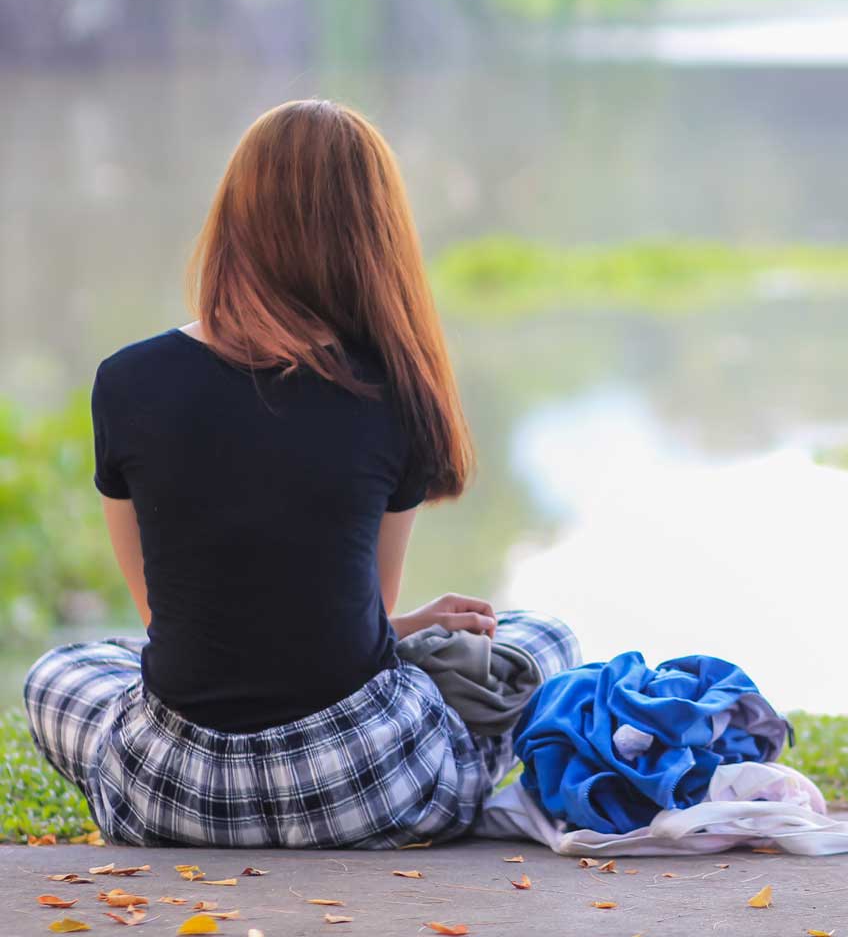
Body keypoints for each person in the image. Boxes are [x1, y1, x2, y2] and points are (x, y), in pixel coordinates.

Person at [23, 99, 579, 848]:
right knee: (544, 640)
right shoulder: (393, 388)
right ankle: (460, 771)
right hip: (366, 790)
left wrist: (400, 629)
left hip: (175, 795)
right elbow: (363, 635)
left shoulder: (126, 380)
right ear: (375, 235)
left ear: (235, 219)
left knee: (62, 671)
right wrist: (415, 629)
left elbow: (171, 619)